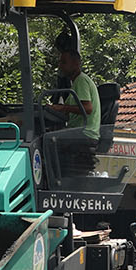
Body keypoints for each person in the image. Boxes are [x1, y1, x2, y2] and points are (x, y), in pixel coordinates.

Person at [43, 31, 102, 174]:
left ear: (76, 63)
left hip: (84, 135)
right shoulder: (74, 84)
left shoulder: (81, 80)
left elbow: (87, 108)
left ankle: (52, 181)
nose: (60, 66)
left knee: (47, 144)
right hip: (78, 133)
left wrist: (64, 108)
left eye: (64, 62)